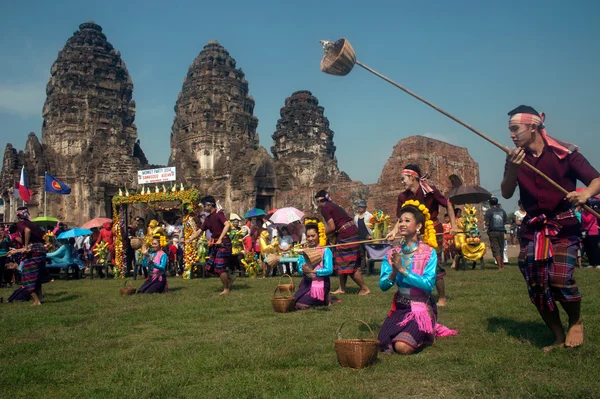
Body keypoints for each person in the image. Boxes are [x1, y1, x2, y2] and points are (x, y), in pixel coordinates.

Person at [501, 105, 600, 350]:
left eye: (516, 129)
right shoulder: (515, 158)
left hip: (563, 225)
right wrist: (513, 167)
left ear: (533, 127)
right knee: (537, 284)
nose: (512, 135)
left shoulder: (565, 153)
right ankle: (557, 333)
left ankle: (575, 320)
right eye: (510, 130)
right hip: (533, 228)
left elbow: (596, 179)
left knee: (560, 279)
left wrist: (585, 193)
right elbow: (505, 192)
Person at [378, 201, 457, 354]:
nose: (401, 224)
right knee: (382, 344)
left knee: (401, 347)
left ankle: (427, 331)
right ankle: (414, 332)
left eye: (407, 220)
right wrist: (394, 272)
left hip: (420, 307)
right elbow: (383, 286)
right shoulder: (393, 254)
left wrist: (402, 269)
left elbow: (428, 285)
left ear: (419, 226)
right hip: (401, 307)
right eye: (400, 220)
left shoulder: (428, 253)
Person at [386, 165, 457, 306]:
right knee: (414, 263)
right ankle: (417, 294)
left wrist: (454, 225)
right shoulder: (402, 197)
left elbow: (448, 204)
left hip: (432, 231)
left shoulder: (430, 192)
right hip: (413, 234)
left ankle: (442, 297)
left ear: (412, 177)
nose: (402, 182)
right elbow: (401, 217)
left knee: (434, 265)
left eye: (403, 179)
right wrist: (394, 231)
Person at [315, 190, 370, 296]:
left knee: (347, 263)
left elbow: (331, 227)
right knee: (341, 262)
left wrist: (320, 234)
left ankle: (364, 288)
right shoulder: (333, 205)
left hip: (346, 235)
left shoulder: (325, 208)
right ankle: (342, 288)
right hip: (349, 232)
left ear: (320, 201)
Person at [188, 196, 235, 295]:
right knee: (211, 267)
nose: (203, 208)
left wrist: (221, 238)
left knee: (220, 268)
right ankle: (230, 277)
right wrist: (190, 239)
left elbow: (227, 225)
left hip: (224, 244)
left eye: (204, 206)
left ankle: (226, 289)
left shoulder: (219, 214)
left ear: (210, 205)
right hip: (215, 245)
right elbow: (199, 231)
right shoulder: (208, 219)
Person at [6, 207, 48, 305]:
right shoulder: (33, 224)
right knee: (37, 277)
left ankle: (36, 301)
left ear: (18, 215)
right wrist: (17, 250)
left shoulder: (21, 224)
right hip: (41, 250)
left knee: (27, 277)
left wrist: (24, 246)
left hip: (33, 252)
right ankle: (40, 298)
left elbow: (27, 231)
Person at [294, 223, 334, 309]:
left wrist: (313, 271)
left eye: (313, 236)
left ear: (319, 235)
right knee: (294, 301)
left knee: (301, 305)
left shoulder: (326, 250)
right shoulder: (305, 251)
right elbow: (300, 268)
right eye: (308, 236)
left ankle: (322, 296)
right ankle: (322, 299)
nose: (310, 239)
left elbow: (329, 270)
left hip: (321, 283)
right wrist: (303, 269)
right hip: (307, 282)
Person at [484, 197, 508, 270]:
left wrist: (487, 223)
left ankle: (499, 266)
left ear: (490, 203)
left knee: (495, 247)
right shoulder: (502, 211)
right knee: (501, 247)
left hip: (493, 231)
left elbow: (487, 223)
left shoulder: (489, 211)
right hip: (501, 231)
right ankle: (502, 265)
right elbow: (505, 221)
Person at [354, 201, 373, 274]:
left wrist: (371, 235)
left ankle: (370, 269)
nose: (360, 208)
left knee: (369, 254)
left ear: (364, 208)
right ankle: (363, 269)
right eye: (359, 207)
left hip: (367, 237)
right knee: (362, 254)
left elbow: (374, 226)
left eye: (361, 207)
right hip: (360, 237)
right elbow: (356, 227)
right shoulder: (356, 217)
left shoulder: (369, 216)